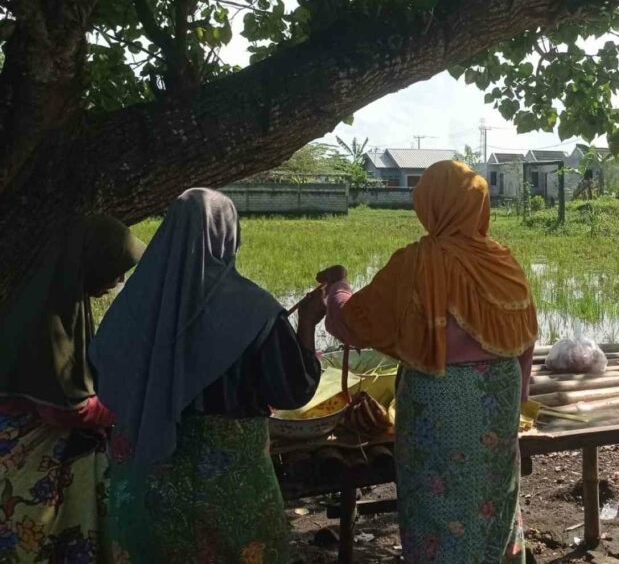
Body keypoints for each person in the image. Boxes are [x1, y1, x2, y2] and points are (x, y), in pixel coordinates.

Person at [89, 188, 324, 563]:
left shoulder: (131, 307)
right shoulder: (255, 310)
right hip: (229, 487)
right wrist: (308, 325)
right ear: (227, 233)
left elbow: (104, 377)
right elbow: (292, 391)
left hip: (145, 481)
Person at [320, 159, 537, 563]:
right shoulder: (503, 262)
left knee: (438, 507)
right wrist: (518, 397)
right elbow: (526, 337)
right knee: (492, 500)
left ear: (431, 205)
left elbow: (353, 323)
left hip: (437, 404)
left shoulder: (417, 263)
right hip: (498, 399)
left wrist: (337, 289)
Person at [0, 215, 145, 563]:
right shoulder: (52, 316)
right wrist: (134, 401)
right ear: (91, 263)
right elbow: (69, 409)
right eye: (114, 269)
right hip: (32, 455)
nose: (119, 280)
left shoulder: (47, 297)